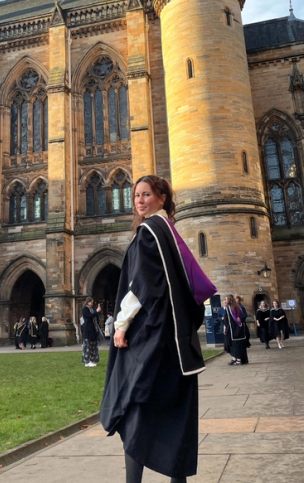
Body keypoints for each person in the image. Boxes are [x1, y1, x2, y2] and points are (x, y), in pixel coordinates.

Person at [100, 175, 215, 483]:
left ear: (162, 198)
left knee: (134, 407)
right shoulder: (170, 233)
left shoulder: (149, 233)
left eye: (146, 194)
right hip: (175, 340)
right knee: (175, 413)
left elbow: (139, 287)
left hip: (150, 337)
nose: (139, 200)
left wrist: (121, 326)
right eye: (137, 195)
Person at [223, 293, 249, 365]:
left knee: (235, 344)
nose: (225, 301)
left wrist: (225, 326)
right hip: (238, 329)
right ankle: (236, 359)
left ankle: (238, 359)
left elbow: (227, 320)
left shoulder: (231, 309)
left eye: (226, 299)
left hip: (233, 329)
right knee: (237, 344)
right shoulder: (235, 308)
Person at [81, 298, 101, 367]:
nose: (92, 304)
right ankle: (87, 361)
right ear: (87, 302)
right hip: (88, 329)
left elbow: (96, 317)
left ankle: (92, 360)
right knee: (87, 346)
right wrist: (96, 312)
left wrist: (98, 312)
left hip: (93, 329)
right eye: (91, 302)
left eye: (92, 302)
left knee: (93, 346)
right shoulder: (85, 309)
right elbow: (89, 316)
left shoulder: (92, 309)